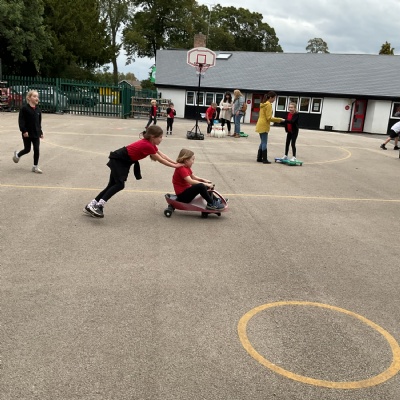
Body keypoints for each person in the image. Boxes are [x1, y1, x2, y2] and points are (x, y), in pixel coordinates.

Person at [84, 125, 183, 218]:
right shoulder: (147, 145)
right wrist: (175, 166)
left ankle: (91, 205)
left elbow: (163, 156)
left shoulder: (150, 144)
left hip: (123, 161)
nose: (162, 139)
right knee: (119, 185)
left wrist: (175, 163)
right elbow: (160, 160)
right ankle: (99, 206)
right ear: (153, 137)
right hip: (120, 160)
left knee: (112, 185)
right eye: (160, 137)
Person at [13, 90, 44, 173]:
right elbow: (21, 121)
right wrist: (24, 131)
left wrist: (40, 132)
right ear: (29, 98)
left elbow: (38, 122)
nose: (37, 98)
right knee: (27, 149)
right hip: (27, 133)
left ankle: (35, 166)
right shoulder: (24, 109)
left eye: (37, 96)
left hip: (36, 133)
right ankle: (18, 154)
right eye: (34, 96)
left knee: (36, 149)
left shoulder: (38, 110)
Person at [255, 91, 285, 164]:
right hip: (264, 125)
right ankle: (264, 159)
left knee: (262, 142)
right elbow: (269, 118)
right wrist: (280, 120)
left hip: (260, 124)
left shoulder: (263, 104)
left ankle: (259, 158)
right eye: (274, 98)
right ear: (271, 97)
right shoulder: (268, 105)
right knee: (264, 142)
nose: (274, 100)